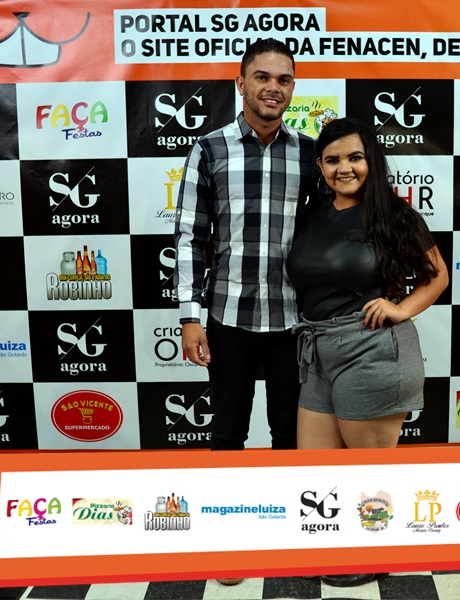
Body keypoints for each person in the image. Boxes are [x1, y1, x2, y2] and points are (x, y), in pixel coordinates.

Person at [173, 38, 317, 586]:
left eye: (283, 79)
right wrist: (190, 317)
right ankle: (229, 537)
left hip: (293, 321)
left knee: (289, 433)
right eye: (262, 77)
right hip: (227, 317)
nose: (273, 88)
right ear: (241, 83)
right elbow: (190, 237)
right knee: (228, 430)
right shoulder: (209, 149)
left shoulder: (310, 153)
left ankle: (285, 534)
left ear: (292, 88)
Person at [287, 117, 449, 587]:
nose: (344, 168)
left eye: (355, 157)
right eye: (332, 159)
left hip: (372, 350)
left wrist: (402, 308)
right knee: (317, 465)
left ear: (371, 161)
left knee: (369, 468)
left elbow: (437, 275)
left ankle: (376, 550)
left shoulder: (393, 214)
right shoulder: (311, 213)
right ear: (320, 166)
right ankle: (332, 543)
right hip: (318, 350)